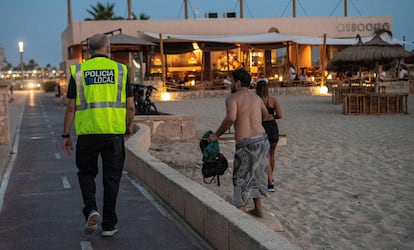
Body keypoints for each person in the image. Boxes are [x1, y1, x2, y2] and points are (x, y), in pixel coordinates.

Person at [61, 33, 135, 237]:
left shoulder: (78, 71)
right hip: (113, 134)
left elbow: (70, 108)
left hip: (88, 134)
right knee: (112, 179)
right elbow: (130, 106)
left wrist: (65, 135)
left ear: (88, 50)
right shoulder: (121, 70)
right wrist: (128, 127)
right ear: (108, 48)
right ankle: (109, 225)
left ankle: (91, 209)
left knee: (86, 173)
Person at [208, 68, 270, 218]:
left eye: (231, 80)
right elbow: (266, 115)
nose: (230, 83)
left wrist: (216, 135)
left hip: (245, 143)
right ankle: (258, 208)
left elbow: (231, 118)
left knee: (241, 178)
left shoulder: (232, 98)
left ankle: (242, 212)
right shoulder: (257, 98)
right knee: (258, 174)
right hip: (262, 140)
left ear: (237, 82)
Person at [255, 80, 283, 192]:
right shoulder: (273, 100)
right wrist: (272, 116)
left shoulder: (256, 101)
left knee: (265, 155)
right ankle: (271, 178)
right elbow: (280, 115)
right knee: (272, 154)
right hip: (273, 127)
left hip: (263, 127)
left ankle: (269, 182)